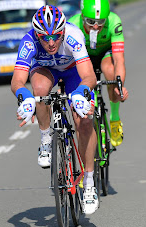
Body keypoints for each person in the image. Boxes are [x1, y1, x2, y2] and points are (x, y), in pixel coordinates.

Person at [11, 5, 98, 214]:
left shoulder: (73, 36)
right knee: (38, 90)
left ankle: (89, 183)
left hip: (73, 73)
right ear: (37, 34)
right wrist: (25, 98)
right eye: (44, 38)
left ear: (63, 32)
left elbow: (90, 76)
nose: (50, 43)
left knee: (84, 121)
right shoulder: (29, 41)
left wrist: (81, 92)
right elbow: (17, 80)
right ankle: (46, 139)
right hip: (45, 71)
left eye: (56, 37)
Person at [68, 0, 129, 147]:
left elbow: (119, 59)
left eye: (101, 22)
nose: (96, 26)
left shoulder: (114, 21)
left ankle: (114, 118)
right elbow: (68, 60)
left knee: (109, 70)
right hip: (83, 57)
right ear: (82, 16)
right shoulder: (72, 24)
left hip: (104, 53)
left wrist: (119, 86)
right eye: (90, 21)